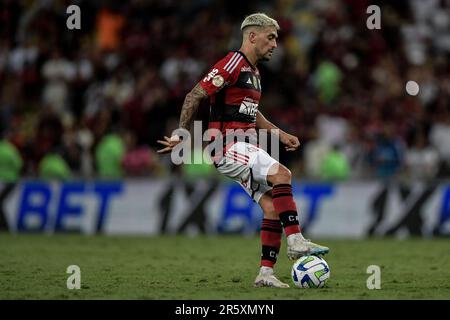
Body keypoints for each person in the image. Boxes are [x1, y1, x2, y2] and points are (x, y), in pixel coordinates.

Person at [157, 13, 329, 288]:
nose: (275, 44)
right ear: (252, 36)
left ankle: (265, 274)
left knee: (272, 207)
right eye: (270, 37)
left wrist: (280, 133)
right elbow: (194, 95)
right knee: (282, 174)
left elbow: (252, 112)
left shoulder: (254, 72)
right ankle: (296, 241)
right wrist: (181, 134)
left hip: (240, 146)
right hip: (225, 144)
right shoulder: (232, 63)